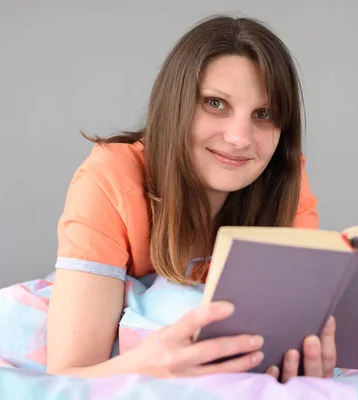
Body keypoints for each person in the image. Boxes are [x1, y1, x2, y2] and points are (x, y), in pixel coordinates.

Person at [46, 15, 337, 382]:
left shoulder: (286, 180)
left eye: (263, 114)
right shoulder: (110, 177)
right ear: (174, 103)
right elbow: (66, 376)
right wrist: (150, 367)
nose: (240, 138)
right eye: (215, 104)